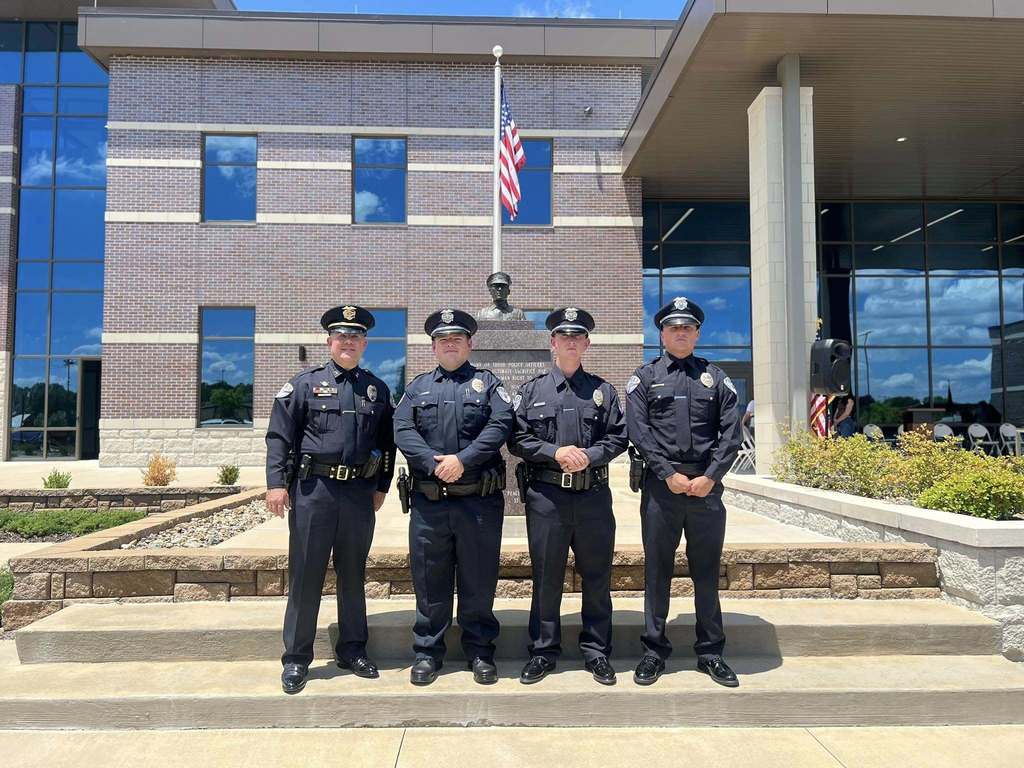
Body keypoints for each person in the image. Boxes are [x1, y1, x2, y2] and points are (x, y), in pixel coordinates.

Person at [265, 305, 396, 695]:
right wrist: (276, 484)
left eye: (355, 337)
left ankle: (353, 650)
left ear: (364, 344)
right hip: (314, 493)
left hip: (358, 494)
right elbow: (279, 437)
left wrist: (382, 486)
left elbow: (386, 444)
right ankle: (296, 659)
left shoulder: (377, 388)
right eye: (341, 336)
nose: (348, 342)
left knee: (353, 575)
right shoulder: (304, 384)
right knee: (306, 575)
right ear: (329, 341)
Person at [625, 296, 743, 688]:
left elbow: (731, 432)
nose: (680, 333)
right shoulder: (644, 378)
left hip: (706, 490)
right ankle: (653, 652)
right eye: (673, 327)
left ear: (697, 333)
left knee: (705, 573)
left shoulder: (716, 377)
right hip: (662, 489)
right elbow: (638, 431)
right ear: (661, 333)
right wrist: (667, 473)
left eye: (687, 328)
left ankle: (710, 652)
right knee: (657, 572)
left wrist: (710, 476)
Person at [393, 308, 515, 686]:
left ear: (469, 344)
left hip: (478, 502)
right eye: (443, 340)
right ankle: (428, 653)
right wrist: (433, 462)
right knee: (430, 581)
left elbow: (501, 425)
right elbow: (402, 427)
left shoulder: (488, 384)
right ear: (433, 347)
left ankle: (480, 651)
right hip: (430, 502)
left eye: (457, 339)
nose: (450, 344)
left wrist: (463, 461)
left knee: (479, 579)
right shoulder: (417, 388)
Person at [508, 307, 628, 686]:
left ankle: (596, 652)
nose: (571, 342)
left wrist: (588, 456)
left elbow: (618, 437)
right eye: (564, 336)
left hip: (592, 497)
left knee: (597, 577)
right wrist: (556, 453)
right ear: (553, 343)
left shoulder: (603, 391)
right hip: (547, 498)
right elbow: (518, 438)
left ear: (587, 343)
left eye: (578, 337)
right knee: (546, 577)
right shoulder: (531, 391)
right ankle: (543, 651)